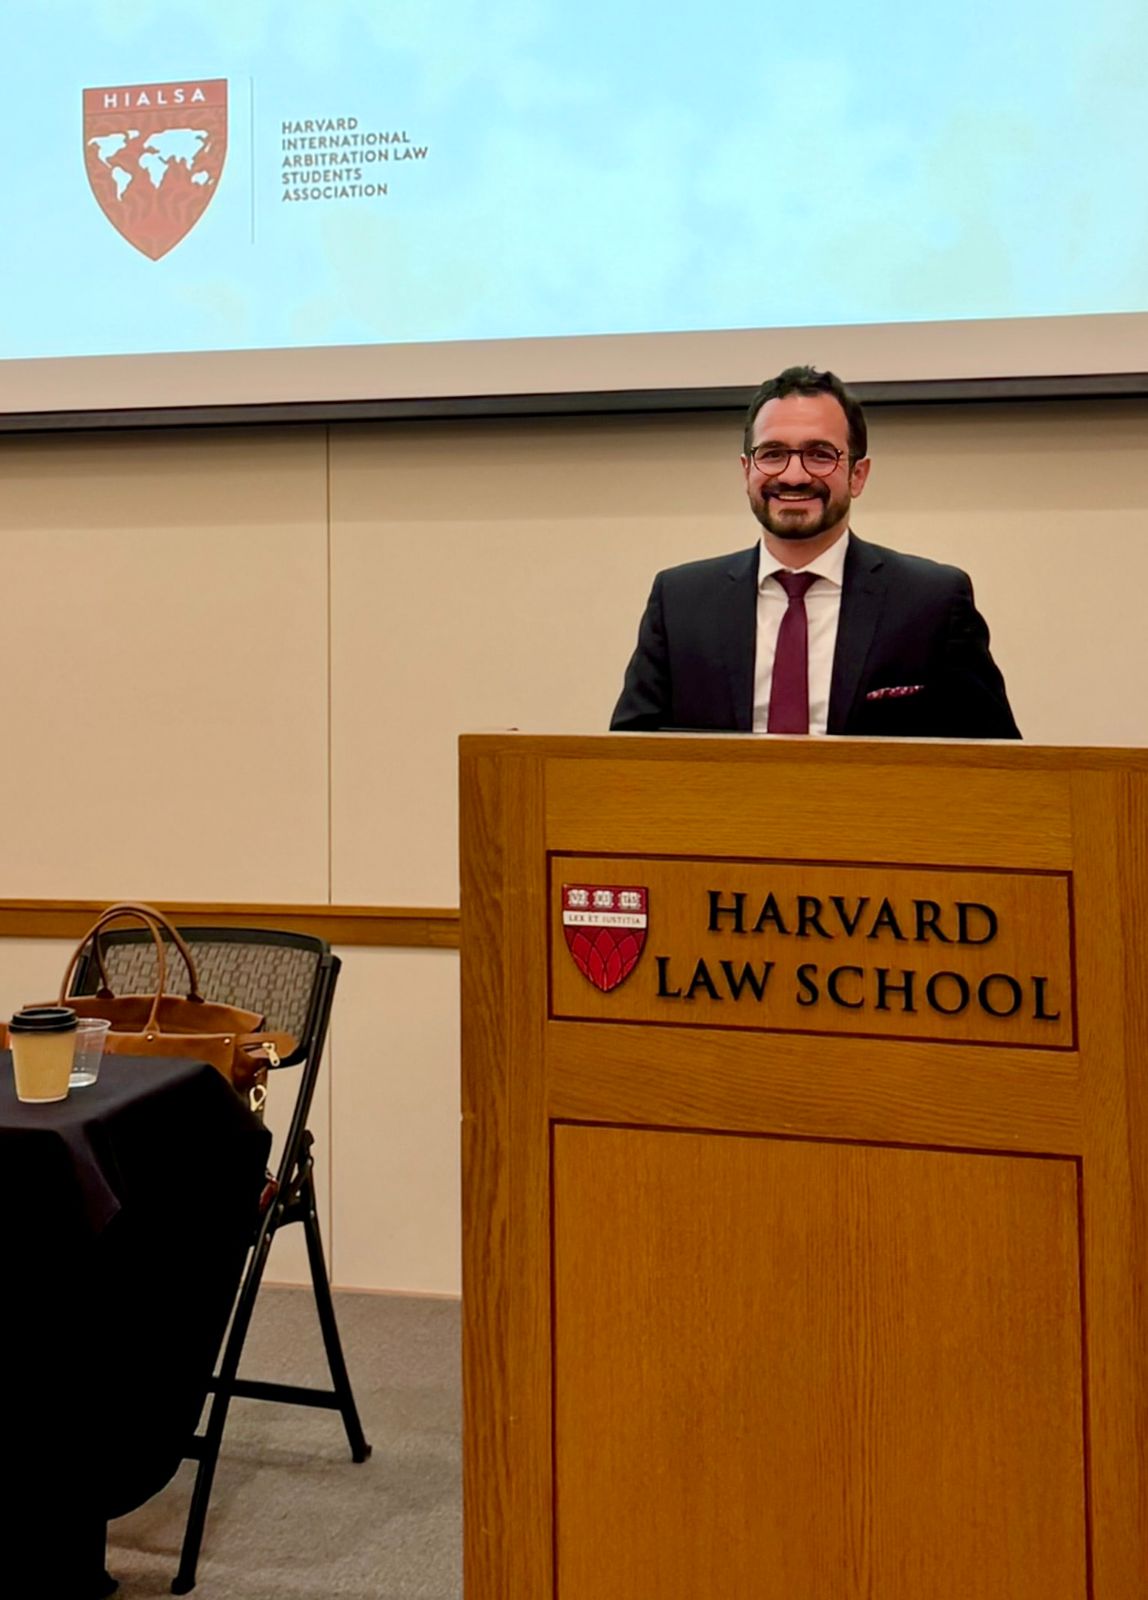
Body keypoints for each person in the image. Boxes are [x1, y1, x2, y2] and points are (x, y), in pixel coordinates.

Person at [610, 366, 1020, 739]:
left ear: (857, 475)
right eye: (772, 454)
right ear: (746, 471)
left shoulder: (932, 602)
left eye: (819, 455)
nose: (793, 475)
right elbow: (626, 760)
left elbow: (998, 763)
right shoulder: (680, 601)